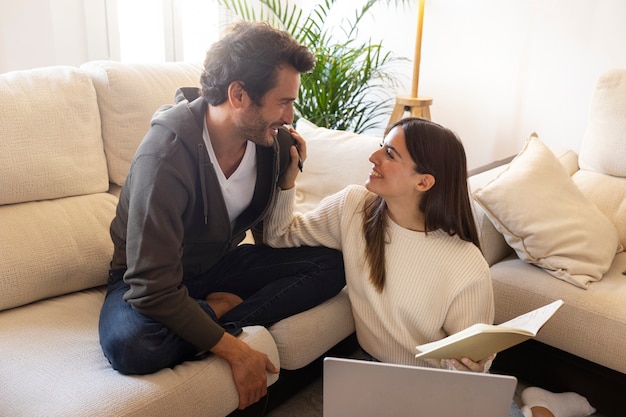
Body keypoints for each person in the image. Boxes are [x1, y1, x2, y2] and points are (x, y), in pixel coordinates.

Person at [264, 117, 595, 417]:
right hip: (373, 371)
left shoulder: (465, 265)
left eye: (390, 154)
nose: (373, 158)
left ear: (423, 183)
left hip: (443, 387)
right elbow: (280, 235)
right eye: (381, 146)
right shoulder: (353, 207)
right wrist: (288, 179)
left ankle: (543, 408)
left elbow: (467, 377)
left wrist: (474, 366)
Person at [98, 21, 346, 411]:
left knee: (330, 265)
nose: (290, 115)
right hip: (149, 283)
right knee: (133, 346)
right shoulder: (164, 157)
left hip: (219, 265)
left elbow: (271, 239)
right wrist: (234, 348)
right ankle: (218, 311)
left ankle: (207, 315)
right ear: (239, 95)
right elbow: (152, 287)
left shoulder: (272, 144)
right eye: (283, 101)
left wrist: (287, 180)